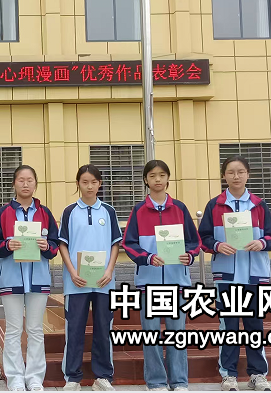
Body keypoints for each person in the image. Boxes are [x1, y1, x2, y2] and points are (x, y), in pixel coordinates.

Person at [198, 155, 271, 392]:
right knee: (229, 327)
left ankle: (258, 374)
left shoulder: (259, 204)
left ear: (248, 174)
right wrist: (217, 246)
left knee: (255, 325)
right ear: (224, 175)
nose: (236, 176)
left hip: (255, 274)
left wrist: (261, 242)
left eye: (241, 171)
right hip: (227, 276)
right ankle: (229, 375)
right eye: (231, 172)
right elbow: (203, 238)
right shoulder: (214, 205)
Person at [122, 160, 201, 391]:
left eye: (162, 175)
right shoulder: (138, 210)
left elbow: (194, 242)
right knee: (151, 334)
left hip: (177, 281)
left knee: (177, 333)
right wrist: (147, 257)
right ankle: (155, 381)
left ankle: (179, 381)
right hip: (149, 283)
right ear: (146, 180)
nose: (157, 179)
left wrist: (189, 255)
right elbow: (129, 243)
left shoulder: (180, 208)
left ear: (168, 179)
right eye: (152, 175)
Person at [0, 165, 60, 392]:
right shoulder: (4, 213)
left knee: (36, 329)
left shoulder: (44, 213)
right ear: (14, 184)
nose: (25, 184)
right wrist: (7, 245)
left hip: (38, 279)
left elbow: (56, 245)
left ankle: (35, 378)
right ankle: (15, 378)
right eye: (21, 180)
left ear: (35, 184)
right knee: (14, 329)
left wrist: (47, 246)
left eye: (29, 180)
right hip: (11, 279)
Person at [58, 165, 121, 391]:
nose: (89, 186)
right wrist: (72, 272)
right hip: (76, 282)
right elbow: (62, 244)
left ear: (99, 184)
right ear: (78, 184)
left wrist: (109, 270)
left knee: (104, 328)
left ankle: (103, 377)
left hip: (104, 281)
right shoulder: (69, 211)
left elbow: (115, 243)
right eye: (85, 182)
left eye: (94, 182)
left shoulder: (108, 211)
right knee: (74, 329)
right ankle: (72, 378)